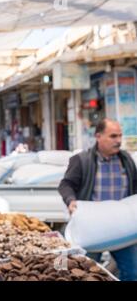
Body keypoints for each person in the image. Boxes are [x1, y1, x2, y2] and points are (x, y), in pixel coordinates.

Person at [58, 118, 137, 281]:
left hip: (122, 226)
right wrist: (71, 201)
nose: (118, 141)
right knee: (86, 272)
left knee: (132, 271)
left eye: (120, 136)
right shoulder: (82, 161)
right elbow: (66, 185)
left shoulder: (126, 160)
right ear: (98, 136)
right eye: (113, 136)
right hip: (91, 227)